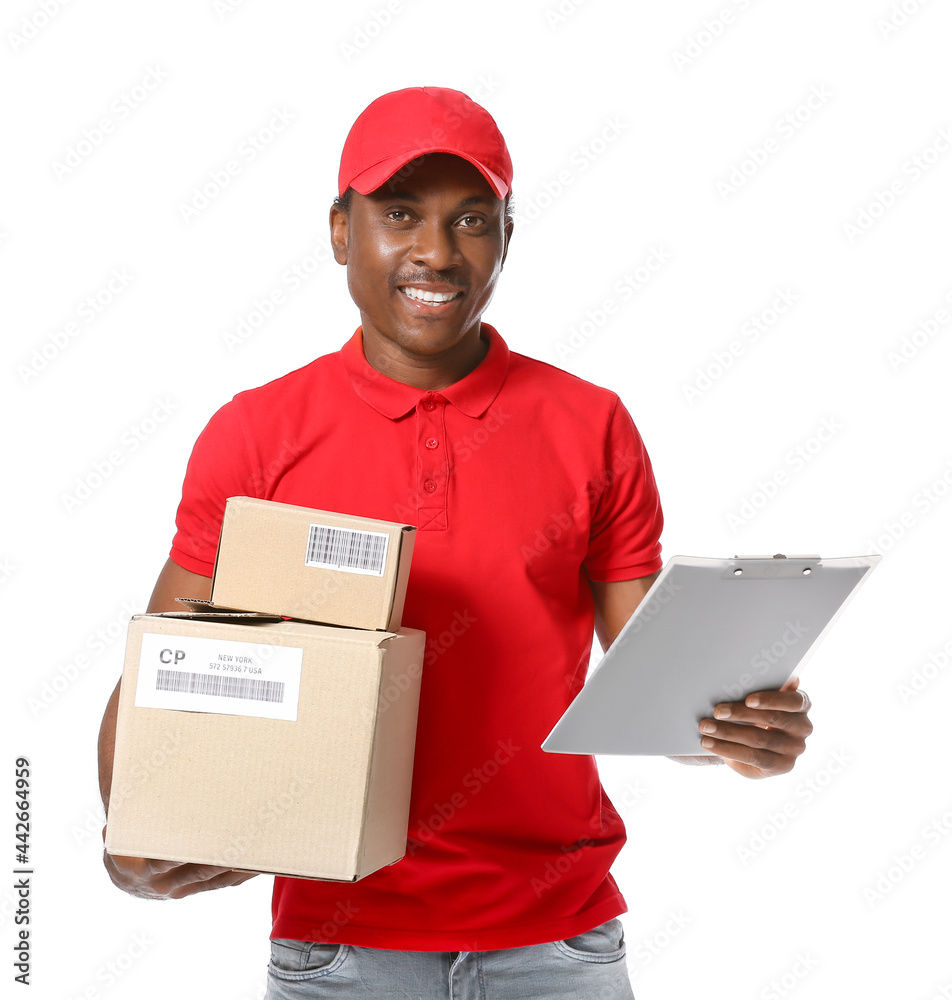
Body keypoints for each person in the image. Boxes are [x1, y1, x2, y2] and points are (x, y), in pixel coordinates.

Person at [97, 86, 813, 999]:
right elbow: (165, 663)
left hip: (560, 942)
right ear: (338, 230)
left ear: (507, 238)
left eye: (472, 219)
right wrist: (125, 837)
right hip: (339, 943)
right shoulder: (257, 433)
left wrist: (734, 732)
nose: (436, 252)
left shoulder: (590, 425)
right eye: (400, 214)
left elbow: (653, 690)